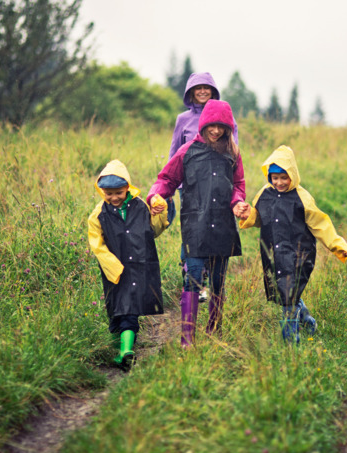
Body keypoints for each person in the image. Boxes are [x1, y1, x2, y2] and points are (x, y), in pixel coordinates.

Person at [148, 99, 248, 347]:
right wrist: (156, 196)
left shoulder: (232, 154)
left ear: (228, 128)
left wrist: (237, 202)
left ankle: (214, 330)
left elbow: (238, 185)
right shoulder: (187, 152)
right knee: (192, 278)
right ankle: (187, 339)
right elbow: (166, 180)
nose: (216, 131)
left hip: (223, 226)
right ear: (203, 124)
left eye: (222, 127)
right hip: (195, 227)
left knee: (217, 281)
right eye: (212, 126)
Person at [238, 145, 347, 343]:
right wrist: (249, 215)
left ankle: (291, 345)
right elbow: (260, 218)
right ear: (269, 177)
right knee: (283, 292)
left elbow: (320, 223)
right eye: (275, 178)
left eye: (284, 177)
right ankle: (306, 318)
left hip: (299, 253)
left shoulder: (302, 197)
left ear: (293, 174)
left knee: (288, 296)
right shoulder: (264, 194)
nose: (280, 182)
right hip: (273, 253)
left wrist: (336, 245)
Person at [88, 160, 169, 369]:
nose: (114, 198)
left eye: (119, 193)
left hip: (140, 264)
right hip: (115, 269)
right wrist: (111, 265)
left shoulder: (141, 206)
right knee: (117, 307)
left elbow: (153, 231)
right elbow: (96, 244)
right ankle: (120, 348)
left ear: (127, 188)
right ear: (101, 191)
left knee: (130, 308)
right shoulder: (99, 214)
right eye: (109, 193)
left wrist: (158, 213)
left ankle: (126, 351)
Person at [167, 72, 239, 304]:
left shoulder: (227, 119)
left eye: (206, 88)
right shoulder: (182, 119)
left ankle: (207, 283)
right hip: (190, 185)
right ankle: (191, 280)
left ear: (213, 91)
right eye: (197, 88)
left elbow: (232, 150)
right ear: (190, 92)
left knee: (215, 232)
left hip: (216, 186)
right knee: (193, 233)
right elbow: (175, 152)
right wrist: (174, 185)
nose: (202, 92)